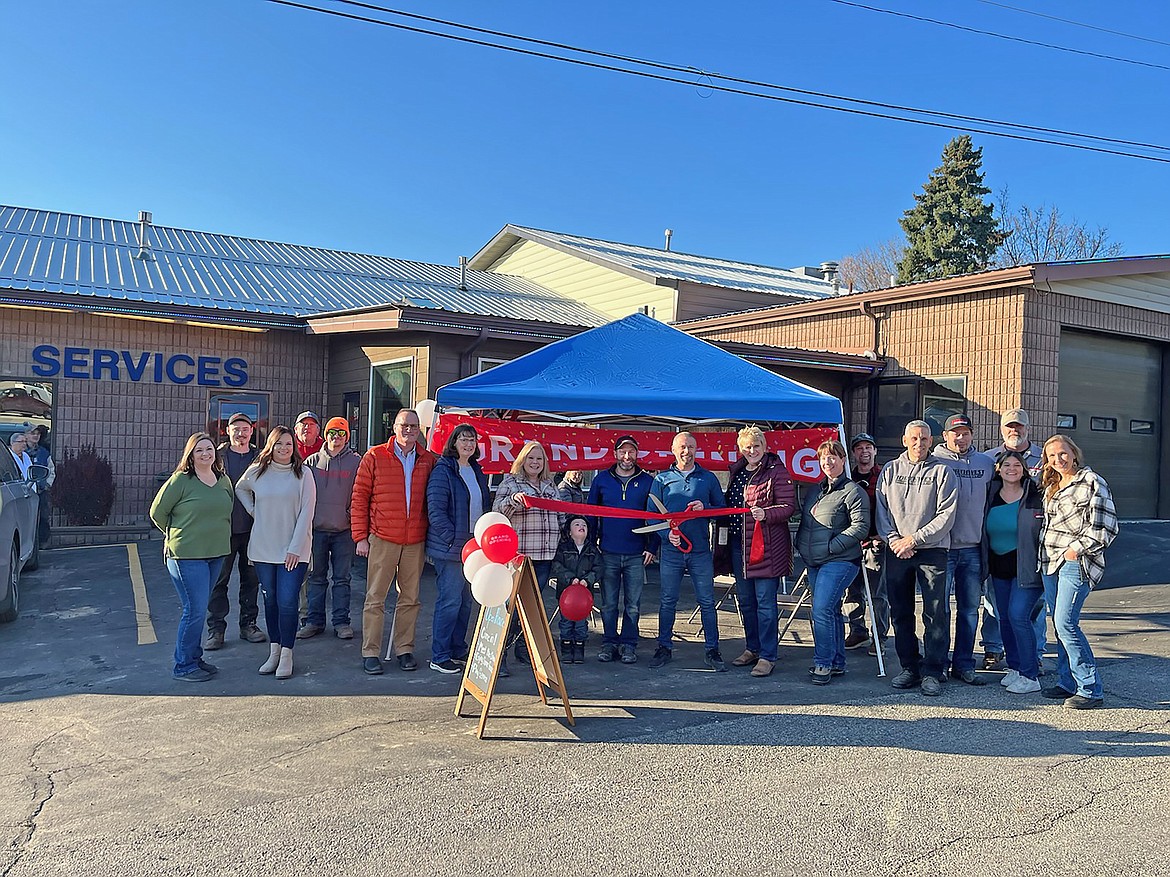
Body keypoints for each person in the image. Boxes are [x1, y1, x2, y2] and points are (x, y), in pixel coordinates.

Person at [876, 420, 959, 696]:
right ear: (904, 440)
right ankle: (909, 667)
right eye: (913, 438)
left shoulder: (943, 472)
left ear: (931, 441)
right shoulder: (890, 470)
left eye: (924, 438)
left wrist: (914, 539)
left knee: (935, 614)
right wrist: (896, 541)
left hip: (932, 551)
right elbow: (882, 512)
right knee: (901, 613)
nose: (919, 443)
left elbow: (946, 515)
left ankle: (934, 671)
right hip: (897, 551)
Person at [351, 408, 436, 675]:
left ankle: (404, 649)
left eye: (413, 425)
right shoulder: (375, 456)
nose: (409, 430)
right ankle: (371, 652)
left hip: (414, 540)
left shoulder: (428, 460)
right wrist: (360, 537)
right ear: (394, 427)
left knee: (410, 598)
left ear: (419, 429)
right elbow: (359, 497)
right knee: (375, 597)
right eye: (404, 425)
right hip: (383, 538)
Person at [1037, 435, 1119, 709]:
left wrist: (1075, 549)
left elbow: (1106, 527)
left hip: (1075, 562)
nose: (1058, 460)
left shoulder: (1092, 482)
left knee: (1066, 623)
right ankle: (1067, 682)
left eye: (1063, 453)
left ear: (1074, 453)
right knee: (1059, 628)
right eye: (1052, 456)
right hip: (1049, 562)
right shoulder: (1052, 485)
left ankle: (1090, 688)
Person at [149, 432, 234, 682]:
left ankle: (195, 658)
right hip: (186, 556)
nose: (205, 454)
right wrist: (175, 535)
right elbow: (157, 512)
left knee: (199, 608)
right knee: (194, 610)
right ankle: (183, 665)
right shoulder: (181, 480)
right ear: (190, 455)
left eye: (209, 449)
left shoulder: (223, 480)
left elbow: (227, 510)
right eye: (199, 450)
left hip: (216, 554)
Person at [236, 426, 317, 680]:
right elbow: (240, 488)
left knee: (287, 601)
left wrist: (295, 548)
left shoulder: (304, 474)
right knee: (270, 601)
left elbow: (307, 512)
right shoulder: (258, 472)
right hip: (263, 548)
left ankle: (287, 653)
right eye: (279, 444)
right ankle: (274, 650)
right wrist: (253, 510)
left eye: (289, 445)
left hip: (293, 551)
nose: (284, 449)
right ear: (271, 446)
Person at [648, 431, 727, 671]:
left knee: (706, 601)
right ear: (673, 450)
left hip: (700, 551)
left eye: (690, 447)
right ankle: (664, 647)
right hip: (671, 553)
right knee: (667, 601)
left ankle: (712, 650)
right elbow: (651, 517)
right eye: (682, 447)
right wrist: (666, 534)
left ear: (696, 450)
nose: (686, 451)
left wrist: (706, 508)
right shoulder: (661, 480)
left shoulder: (708, 479)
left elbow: (721, 510)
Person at [723, 426, 796, 678]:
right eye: (747, 447)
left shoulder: (777, 471)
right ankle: (751, 647)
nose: (752, 451)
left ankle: (768, 655)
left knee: (765, 603)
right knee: (746, 601)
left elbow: (789, 507)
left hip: (767, 546)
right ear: (740, 449)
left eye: (756, 446)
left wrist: (767, 513)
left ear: (764, 447)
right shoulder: (738, 471)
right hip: (738, 545)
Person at [795, 440, 869, 684]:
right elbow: (807, 523)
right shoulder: (816, 490)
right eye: (824, 458)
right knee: (832, 611)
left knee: (821, 610)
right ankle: (836, 662)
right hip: (815, 561)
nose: (828, 462)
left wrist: (831, 547)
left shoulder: (853, 491)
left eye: (833, 457)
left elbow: (860, 527)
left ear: (843, 460)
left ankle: (822, 663)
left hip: (840, 561)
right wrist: (801, 546)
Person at [932, 414, 995, 685]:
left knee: (970, 610)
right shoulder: (934, 461)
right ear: (945, 436)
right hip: (943, 548)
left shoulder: (986, 463)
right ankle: (939, 663)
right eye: (955, 433)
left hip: (973, 549)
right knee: (940, 610)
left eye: (965, 432)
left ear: (972, 435)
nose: (961, 437)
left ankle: (964, 664)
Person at [425, 423, 491, 674]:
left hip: (475, 548)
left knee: (465, 602)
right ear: (453, 443)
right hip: (451, 549)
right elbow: (436, 511)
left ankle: (457, 648)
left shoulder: (476, 470)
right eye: (463, 440)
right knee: (449, 601)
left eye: (472, 440)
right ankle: (439, 655)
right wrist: (453, 539)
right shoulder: (443, 470)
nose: (468, 444)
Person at [587, 435, 657, 665]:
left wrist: (652, 546)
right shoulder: (601, 480)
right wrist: (591, 545)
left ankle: (628, 644)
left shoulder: (647, 481)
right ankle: (609, 643)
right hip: (608, 551)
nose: (627, 456)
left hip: (637, 553)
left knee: (633, 605)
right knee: (608, 603)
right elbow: (591, 514)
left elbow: (656, 517)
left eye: (632, 452)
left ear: (637, 454)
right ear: (615, 454)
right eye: (623, 452)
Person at [987, 407, 1047, 671]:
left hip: (1028, 560)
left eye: (1019, 427)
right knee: (1001, 614)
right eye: (1010, 426)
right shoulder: (989, 461)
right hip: (997, 562)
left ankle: (1033, 661)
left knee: (1023, 614)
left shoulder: (1045, 460)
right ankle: (1006, 659)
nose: (1015, 430)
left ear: (1027, 429)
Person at [983, 451, 1045, 695]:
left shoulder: (1034, 494)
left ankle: (1030, 675)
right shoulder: (991, 494)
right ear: (998, 468)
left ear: (1024, 468)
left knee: (1019, 615)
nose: (1011, 468)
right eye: (1006, 464)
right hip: (999, 567)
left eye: (1016, 464)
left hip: (1027, 568)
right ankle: (1016, 667)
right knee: (1004, 618)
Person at [494, 440, 560, 664]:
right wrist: (513, 501)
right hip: (519, 556)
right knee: (511, 606)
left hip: (545, 556)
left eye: (539, 458)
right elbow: (496, 511)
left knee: (533, 606)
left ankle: (522, 648)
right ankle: (500, 654)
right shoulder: (511, 483)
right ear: (522, 460)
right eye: (530, 458)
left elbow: (560, 516)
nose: (535, 462)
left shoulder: (551, 486)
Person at [205, 412, 265, 650]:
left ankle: (248, 625)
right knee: (219, 581)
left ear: (251, 431)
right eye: (235, 429)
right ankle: (216, 630)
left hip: (253, 530)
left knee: (251, 580)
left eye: (245, 429)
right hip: (223, 531)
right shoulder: (217, 457)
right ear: (227, 431)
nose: (240, 433)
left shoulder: (261, 458)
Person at [300, 417, 362, 640]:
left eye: (342, 433)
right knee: (316, 577)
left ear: (347, 437)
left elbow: (361, 494)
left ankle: (341, 622)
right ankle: (314, 621)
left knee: (342, 579)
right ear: (325, 435)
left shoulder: (356, 462)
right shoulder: (310, 462)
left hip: (344, 531)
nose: (337, 437)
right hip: (316, 530)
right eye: (332, 432)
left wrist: (351, 518)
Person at [842, 432, 887, 653]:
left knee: (877, 595)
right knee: (852, 592)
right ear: (853, 453)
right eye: (859, 448)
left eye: (868, 447)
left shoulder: (884, 477)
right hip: (852, 545)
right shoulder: (847, 478)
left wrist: (883, 535)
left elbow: (893, 508)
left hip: (876, 543)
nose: (864, 451)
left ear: (875, 451)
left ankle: (879, 637)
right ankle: (857, 631)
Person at [552, 515, 602, 664]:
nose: (581, 526)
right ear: (569, 531)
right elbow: (557, 566)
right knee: (566, 622)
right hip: (566, 595)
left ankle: (579, 648)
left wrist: (588, 580)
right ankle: (566, 648)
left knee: (581, 623)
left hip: (583, 598)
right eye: (577, 524)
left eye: (584, 525)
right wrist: (570, 578)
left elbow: (599, 568)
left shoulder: (592, 550)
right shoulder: (563, 548)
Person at [22, 423, 54, 548]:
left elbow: (51, 469)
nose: (36, 436)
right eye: (32, 433)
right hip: (24, 492)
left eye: (38, 434)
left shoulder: (44, 452)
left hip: (40, 491)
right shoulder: (20, 452)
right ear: (26, 435)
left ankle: (42, 542)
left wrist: (47, 484)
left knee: (43, 517)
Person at [987, 408, 1043, 476]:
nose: (1014, 430)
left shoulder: (1043, 458)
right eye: (1010, 426)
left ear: (1028, 428)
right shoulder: (988, 458)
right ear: (1001, 429)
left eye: (1019, 425)